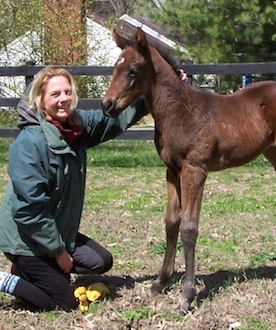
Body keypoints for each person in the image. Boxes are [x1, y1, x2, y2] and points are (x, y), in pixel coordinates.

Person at [0, 66, 188, 311]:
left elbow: (113, 120)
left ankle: (30, 271)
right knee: (63, 302)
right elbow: (29, 212)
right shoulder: (29, 144)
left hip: (55, 229)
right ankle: (8, 278)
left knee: (100, 261)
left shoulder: (75, 127)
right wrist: (59, 253)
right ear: (40, 99)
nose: (63, 99)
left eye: (67, 92)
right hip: (24, 238)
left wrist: (152, 90)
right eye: (55, 94)